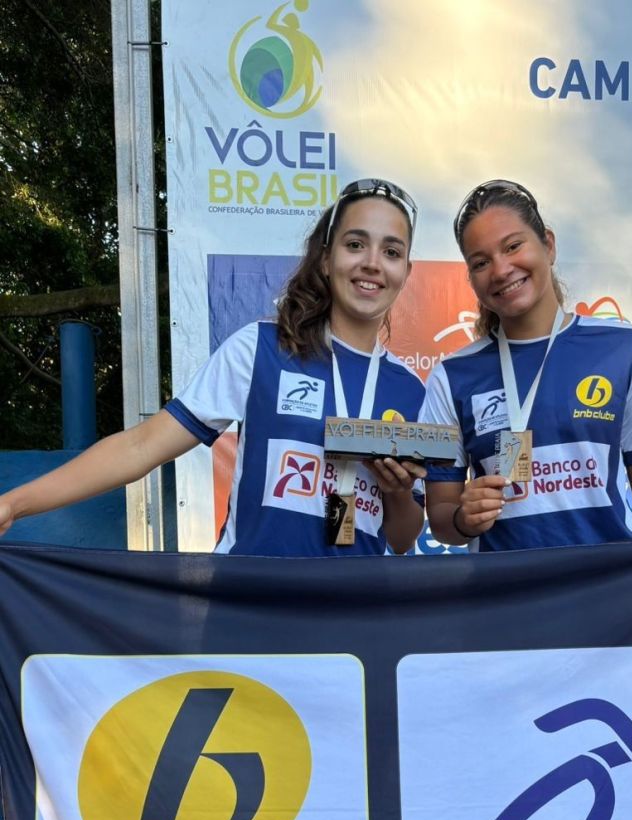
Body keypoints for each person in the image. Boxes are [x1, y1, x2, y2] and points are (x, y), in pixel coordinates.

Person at [0, 179, 426, 556]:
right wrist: (14, 504)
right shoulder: (262, 348)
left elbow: (403, 538)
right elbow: (141, 446)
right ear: (326, 258)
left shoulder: (410, 391)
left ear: (405, 272)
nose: (373, 262)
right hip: (246, 602)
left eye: (391, 251)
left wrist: (399, 491)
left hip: (349, 608)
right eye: (355, 244)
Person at [420, 178, 632, 551]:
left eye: (513, 246)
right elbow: (442, 520)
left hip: (606, 582)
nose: (502, 269)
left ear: (548, 245)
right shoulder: (452, 377)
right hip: (506, 587)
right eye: (481, 262)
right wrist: (463, 518)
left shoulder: (623, 348)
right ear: (472, 278)